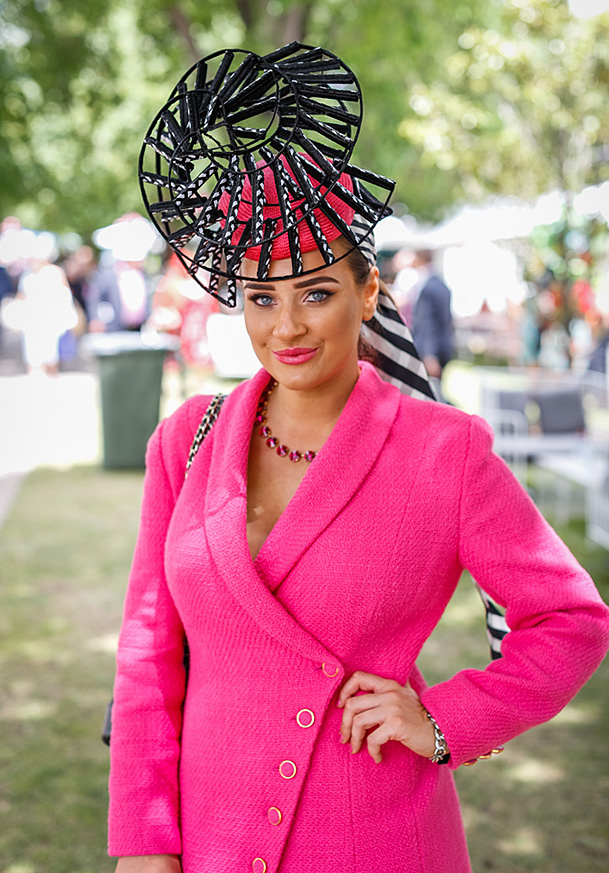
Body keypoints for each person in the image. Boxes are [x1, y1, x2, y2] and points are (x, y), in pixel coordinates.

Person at [108, 45, 609, 873]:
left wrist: (446, 718)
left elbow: (569, 620)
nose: (287, 326)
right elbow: (146, 654)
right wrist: (144, 843)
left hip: (376, 839)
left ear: (367, 291)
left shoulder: (443, 451)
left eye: (315, 291)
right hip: (210, 841)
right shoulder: (184, 439)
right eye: (259, 296)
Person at [400, 248, 454, 379]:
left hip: (431, 352)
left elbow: (428, 323)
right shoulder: (441, 284)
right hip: (444, 346)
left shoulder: (427, 287)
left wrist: (430, 355)